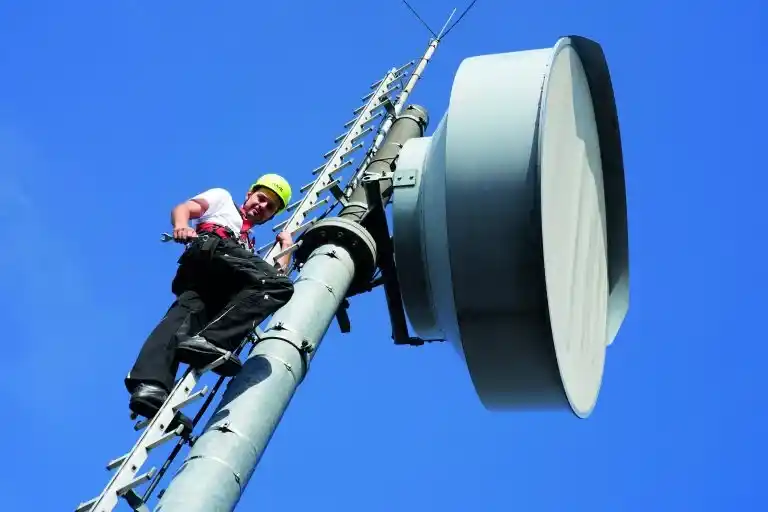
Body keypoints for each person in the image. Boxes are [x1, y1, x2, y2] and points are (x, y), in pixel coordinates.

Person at [124, 173, 296, 424]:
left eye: (270, 207)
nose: (262, 207)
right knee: (279, 286)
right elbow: (185, 208)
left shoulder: (249, 244)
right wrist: (181, 225)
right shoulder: (223, 200)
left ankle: (150, 387)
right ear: (249, 194)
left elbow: (277, 273)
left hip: (218, 283)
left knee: (183, 316)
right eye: (261, 199)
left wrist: (286, 244)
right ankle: (210, 341)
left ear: (272, 216)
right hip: (213, 251)